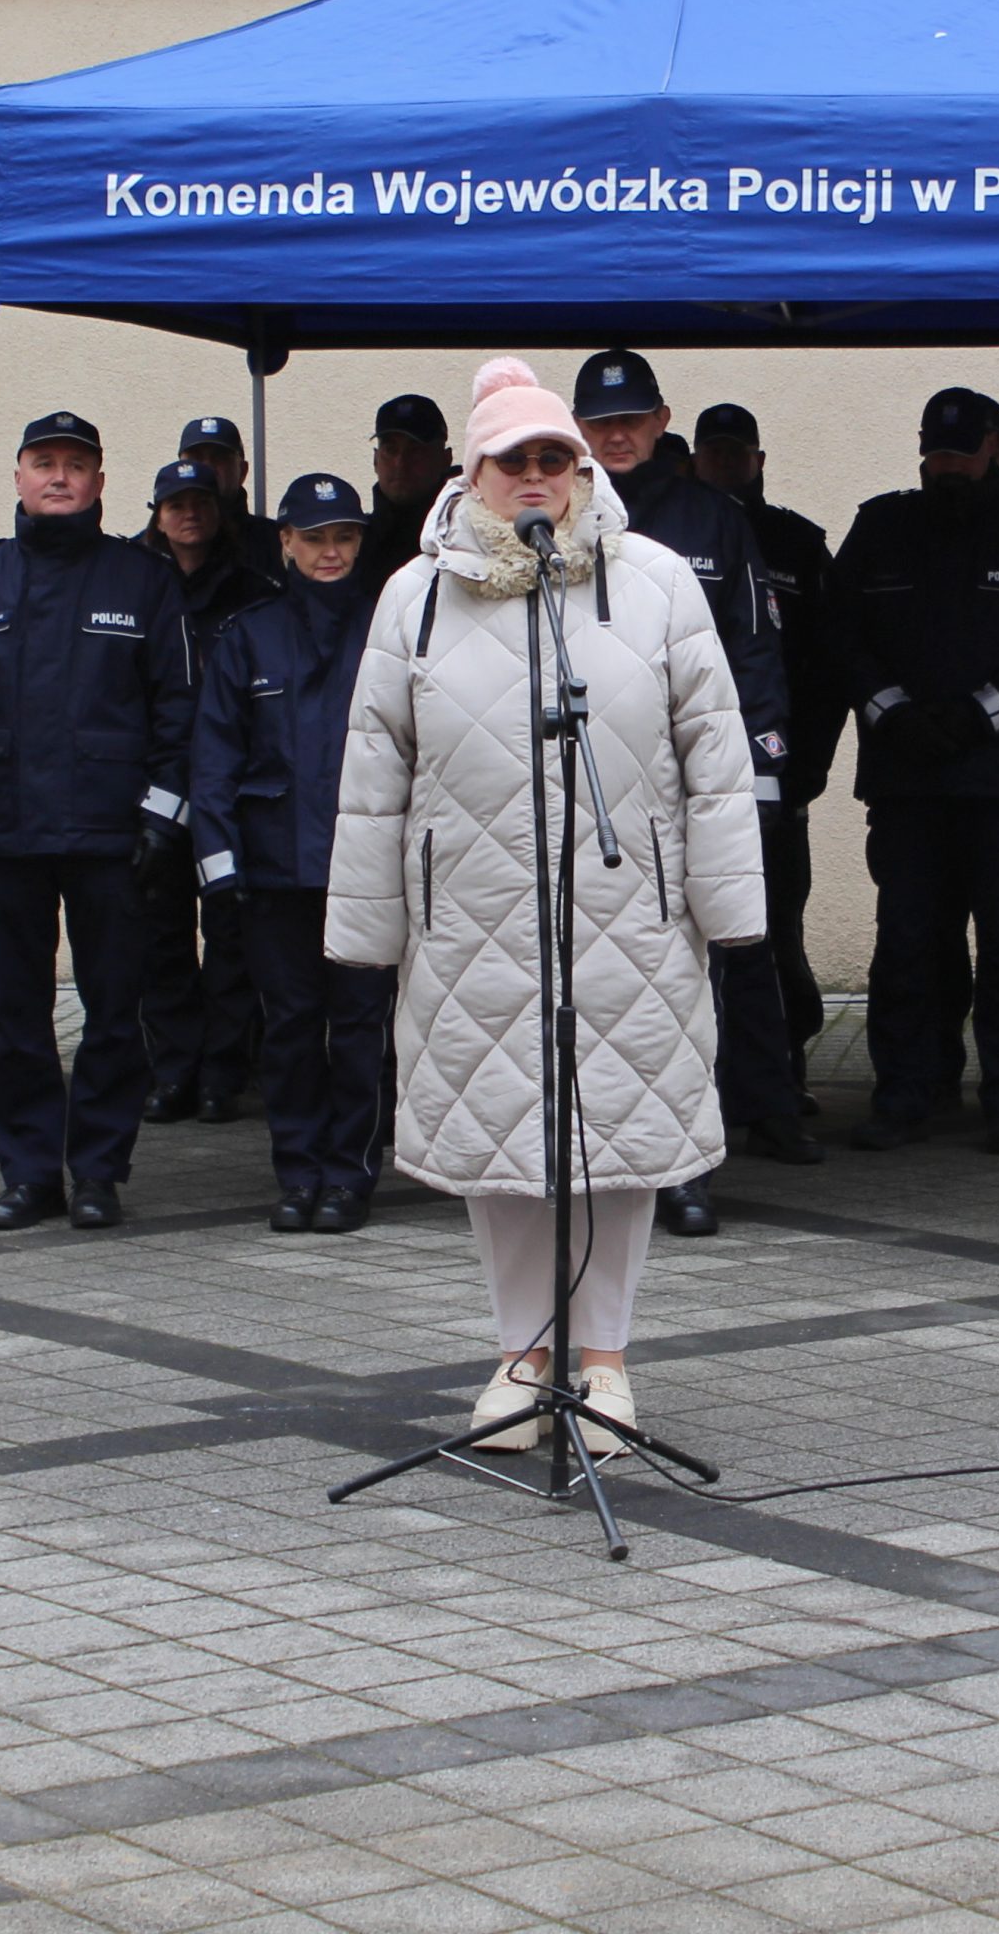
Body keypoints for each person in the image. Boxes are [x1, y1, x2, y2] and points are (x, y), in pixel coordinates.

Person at [326, 358, 766, 1457]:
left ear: (579, 469)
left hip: (628, 912)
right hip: (471, 915)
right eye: (510, 458)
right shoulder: (414, 593)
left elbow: (714, 752)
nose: (534, 475)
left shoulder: (656, 580)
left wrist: (725, 903)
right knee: (501, 1137)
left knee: (617, 1132)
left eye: (552, 457)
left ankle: (603, 1360)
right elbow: (374, 769)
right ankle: (522, 1354)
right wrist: (367, 926)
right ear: (471, 472)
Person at [0, 411, 196, 1232]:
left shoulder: (142, 581)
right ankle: (30, 1173)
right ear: (18, 479)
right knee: (13, 1018)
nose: (59, 477)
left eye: (75, 464)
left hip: (111, 840)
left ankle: (98, 1170)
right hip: (0, 837)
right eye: (44, 463)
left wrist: (163, 820)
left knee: (114, 1014)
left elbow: (178, 714)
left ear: (99, 480)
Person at [574, 350, 812, 1233]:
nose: (616, 436)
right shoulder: (555, 516)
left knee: (691, 986)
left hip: (684, 790)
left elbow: (755, 652)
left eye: (631, 420)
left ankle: (682, 1167)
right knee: (595, 984)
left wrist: (762, 769)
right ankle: (596, 1152)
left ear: (661, 421)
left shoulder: (714, 520)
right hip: (587, 789)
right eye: (600, 423)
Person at [826, 387, 999, 1155]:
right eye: (935, 451)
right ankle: (908, 1090)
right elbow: (838, 633)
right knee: (909, 942)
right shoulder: (883, 525)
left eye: (963, 452)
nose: (946, 465)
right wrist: (892, 712)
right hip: (908, 776)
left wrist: (988, 712)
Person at [192, 474, 394, 1233]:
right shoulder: (250, 634)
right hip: (275, 870)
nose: (330, 551)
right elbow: (214, 758)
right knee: (289, 1028)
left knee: (361, 1032)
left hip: (366, 868)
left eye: (343, 537)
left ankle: (349, 1176)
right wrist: (219, 865)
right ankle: (297, 1172)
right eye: (314, 538)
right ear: (285, 543)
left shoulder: (387, 630)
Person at [691, 400, 849, 1103]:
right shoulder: (664, 535)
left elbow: (826, 668)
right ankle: (709, 1084)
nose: (726, 462)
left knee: (775, 930)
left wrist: (802, 769)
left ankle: (782, 1080)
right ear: (694, 458)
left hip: (774, 781)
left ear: (759, 460)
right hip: (686, 777)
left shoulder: (796, 544)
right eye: (714, 450)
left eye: (738, 451)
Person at [137, 460, 277, 1125]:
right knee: (161, 939)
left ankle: (223, 1073)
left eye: (201, 502)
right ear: (157, 516)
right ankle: (173, 1072)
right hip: (158, 794)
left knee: (230, 939)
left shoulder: (252, 589)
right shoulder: (139, 586)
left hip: (232, 789)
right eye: (176, 504)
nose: (189, 514)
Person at [363, 393, 457, 585]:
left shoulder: (465, 538)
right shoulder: (352, 544)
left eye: (416, 450)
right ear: (375, 460)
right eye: (390, 450)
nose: (400, 463)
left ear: (445, 459)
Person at [175, 414, 284, 578]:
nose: (207, 467)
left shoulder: (277, 544)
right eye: (196, 458)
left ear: (243, 471)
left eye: (219, 458)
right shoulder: (154, 547)